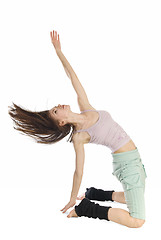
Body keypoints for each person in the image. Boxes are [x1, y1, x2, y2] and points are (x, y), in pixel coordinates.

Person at [8, 29, 147, 228]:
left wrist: (59, 52)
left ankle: (97, 194)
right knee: (137, 221)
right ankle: (87, 208)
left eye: (55, 107)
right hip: (127, 165)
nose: (58, 106)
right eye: (56, 111)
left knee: (135, 195)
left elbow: (72, 77)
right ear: (61, 123)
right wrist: (73, 198)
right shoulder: (80, 137)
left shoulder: (86, 107)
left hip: (133, 158)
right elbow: (78, 171)